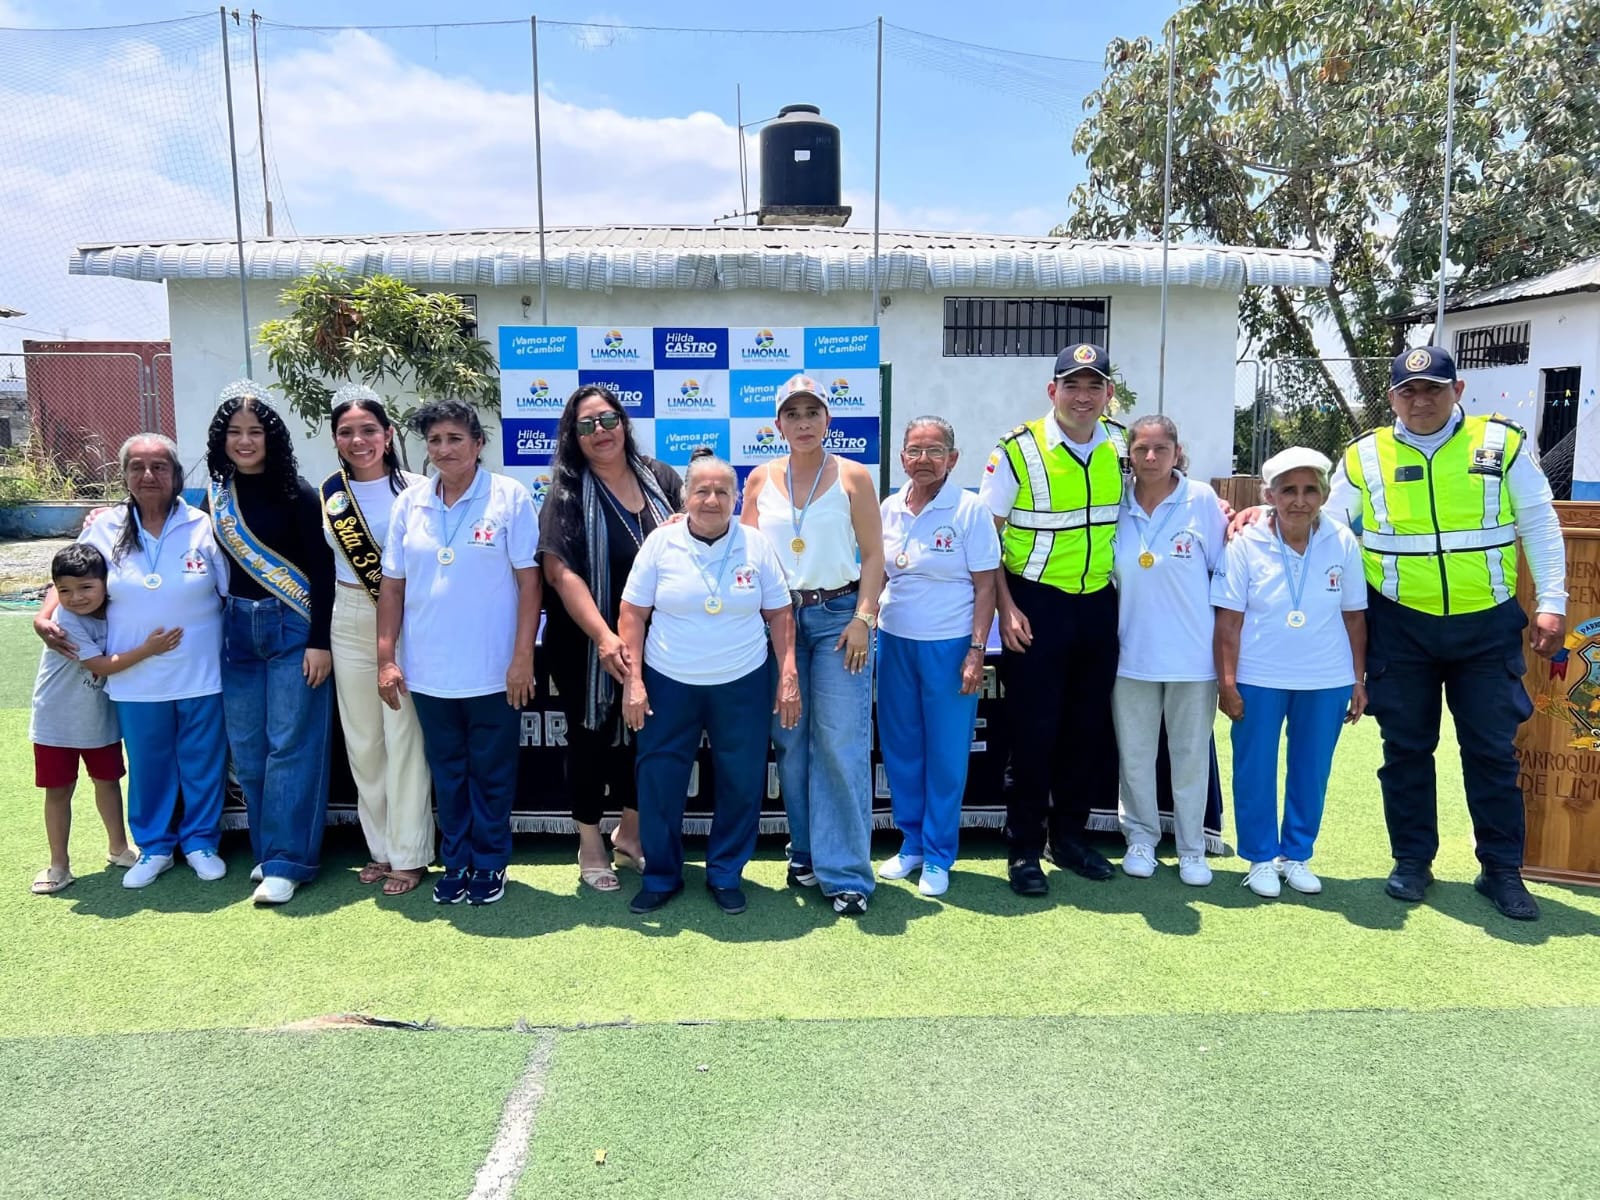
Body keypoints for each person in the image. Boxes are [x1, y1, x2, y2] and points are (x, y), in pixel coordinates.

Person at [1334, 346, 1567, 920]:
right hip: (1399, 625)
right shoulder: (1365, 455)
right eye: (1408, 391)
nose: (1421, 400)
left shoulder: (1500, 443)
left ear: (1457, 390)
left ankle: (1501, 870)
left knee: (1491, 751)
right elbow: (1328, 527)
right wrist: (1261, 519)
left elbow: (1539, 521)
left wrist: (1553, 602)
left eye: (1433, 389)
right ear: (1392, 398)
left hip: (1485, 625)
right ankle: (1413, 860)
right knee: (1406, 750)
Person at [35, 434, 231, 890]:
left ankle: (201, 843)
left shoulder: (202, 525)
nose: (148, 475)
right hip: (135, 678)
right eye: (137, 467)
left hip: (201, 672)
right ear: (124, 475)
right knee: (148, 765)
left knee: (202, 762)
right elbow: (68, 575)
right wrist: (44, 617)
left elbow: (227, 591)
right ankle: (155, 847)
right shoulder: (104, 527)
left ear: (176, 474)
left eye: (159, 466)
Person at [618, 449, 800, 915]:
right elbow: (632, 613)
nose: (712, 500)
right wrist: (633, 680)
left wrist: (788, 672)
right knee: (659, 780)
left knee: (741, 780)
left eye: (722, 491)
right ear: (685, 496)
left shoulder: (755, 545)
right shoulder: (660, 543)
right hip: (668, 680)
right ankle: (661, 876)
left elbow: (780, 613)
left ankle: (725, 873)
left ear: (736, 498)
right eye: (702, 490)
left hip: (742, 680)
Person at [378, 399, 541, 908]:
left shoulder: (509, 497)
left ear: (478, 444)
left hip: (494, 669)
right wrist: (386, 658)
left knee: (491, 775)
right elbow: (392, 587)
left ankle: (490, 863)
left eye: (454, 439)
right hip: (429, 671)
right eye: (434, 440)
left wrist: (523, 656)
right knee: (448, 774)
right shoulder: (410, 504)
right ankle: (456, 863)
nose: (444, 449)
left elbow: (530, 582)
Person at [978, 342, 1127, 896]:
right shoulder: (1017, 449)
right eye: (1072, 385)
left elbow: (1168, 493)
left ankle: (1068, 839)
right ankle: (1023, 849)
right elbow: (985, 540)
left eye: (1094, 386)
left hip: (1098, 604)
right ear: (1052, 390)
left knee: (1086, 730)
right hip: (1034, 604)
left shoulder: (1123, 444)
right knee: (1033, 732)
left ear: (1108, 394)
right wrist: (1006, 607)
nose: (1082, 396)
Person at [742, 373, 884, 917]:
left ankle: (846, 873)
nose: (803, 423)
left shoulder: (853, 476)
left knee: (841, 744)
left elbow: (874, 555)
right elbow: (744, 552)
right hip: (778, 623)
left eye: (812, 413)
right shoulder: (759, 479)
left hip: (838, 620)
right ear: (778, 424)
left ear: (828, 419)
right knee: (791, 742)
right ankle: (804, 853)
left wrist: (864, 618)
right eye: (793, 414)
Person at [539, 384, 684, 893]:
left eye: (607, 419)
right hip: (586, 642)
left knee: (647, 737)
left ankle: (631, 833)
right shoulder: (566, 491)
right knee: (591, 739)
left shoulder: (660, 477)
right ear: (573, 436)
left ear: (623, 422)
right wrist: (603, 637)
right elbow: (559, 572)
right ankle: (590, 842)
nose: (599, 431)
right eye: (586, 425)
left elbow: (693, 539)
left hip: (656, 639)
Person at [1212, 447, 1368, 899]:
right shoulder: (1245, 543)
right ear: (1270, 496)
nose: (1300, 501)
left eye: (1310, 490)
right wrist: (1227, 682)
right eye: (1288, 491)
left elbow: (1354, 617)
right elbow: (1228, 621)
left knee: (1312, 770)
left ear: (1324, 495)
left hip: (1325, 677)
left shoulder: (1342, 540)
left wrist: (1358, 680)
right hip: (1258, 675)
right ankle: (1261, 857)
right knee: (1254, 769)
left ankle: (1296, 854)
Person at [207, 380, 336, 906]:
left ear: (272, 437)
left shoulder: (297, 493)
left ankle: (288, 861)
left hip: (292, 627)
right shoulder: (217, 497)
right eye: (235, 432)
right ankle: (266, 851)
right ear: (221, 439)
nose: (245, 441)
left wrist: (320, 641)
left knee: (291, 744)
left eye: (255, 432)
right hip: (237, 631)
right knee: (250, 750)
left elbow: (322, 570)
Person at [874, 416, 999, 898]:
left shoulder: (969, 509)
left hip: (950, 645)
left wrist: (976, 650)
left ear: (953, 457)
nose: (923, 459)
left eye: (934, 451)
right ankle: (911, 844)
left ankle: (939, 853)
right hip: (895, 641)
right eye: (914, 450)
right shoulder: (889, 508)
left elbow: (986, 586)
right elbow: (878, 575)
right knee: (902, 748)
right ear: (902, 457)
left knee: (946, 754)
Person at [321, 384, 433, 896]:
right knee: (363, 741)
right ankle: (380, 848)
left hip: (406, 617)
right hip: (347, 614)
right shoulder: (328, 495)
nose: (358, 440)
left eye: (369, 430)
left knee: (404, 737)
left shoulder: (419, 488)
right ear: (335, 439)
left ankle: (410, 854)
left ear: (388, 435)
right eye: (346, 432)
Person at [1111, 414, 1229, 887]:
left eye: (1161, 448)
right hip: (1130, 656)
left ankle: (1191, 848)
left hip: (1193, 659)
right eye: (1142, 449)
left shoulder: (1201, 500)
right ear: (1130, 455)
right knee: (1135, 756)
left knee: (1190, 757)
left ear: (1177, 452)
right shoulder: (1115, 500)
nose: (1151, 457)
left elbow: (1223, 573)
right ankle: (1140, 839)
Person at [28, 543, 173, 894]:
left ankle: (119, 848)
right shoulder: (65, 621)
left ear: (106, 584)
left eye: (85, 587)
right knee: (59, 791)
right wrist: (148, 649)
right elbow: (100, 665)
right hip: (55, 721)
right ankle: (59, 864)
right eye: (65, 590)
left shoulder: (117, 607)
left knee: (107, 782)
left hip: (100, 720)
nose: (76, 597)